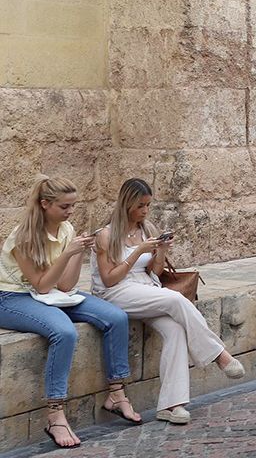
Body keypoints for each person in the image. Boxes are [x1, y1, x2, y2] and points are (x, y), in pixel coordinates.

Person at [0, 177, 140, 448]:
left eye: (73, 206)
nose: (70, 212)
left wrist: (77, 252)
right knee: (63, 331)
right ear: (45, 204)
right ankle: (55, 415)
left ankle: (116, 393)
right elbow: (41, 286)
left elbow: (65, 285)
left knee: (116, 317)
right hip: (11, 298)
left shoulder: (66, 229)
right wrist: (67, 254)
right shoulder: (23, 237)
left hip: (53, 295)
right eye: (64, 206)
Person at [92, 178, 246, 425]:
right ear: (127, 204)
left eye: (148, 205)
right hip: (115, 293)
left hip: (146, 290)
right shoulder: (105, 235)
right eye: (140, 206)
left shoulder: (147, 228)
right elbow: (109, 280)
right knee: (175, 299)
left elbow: (155, 271)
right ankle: (219, 354)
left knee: (175, 330)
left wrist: (160, 250)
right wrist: (137, 252)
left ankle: (171, 405)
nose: (145, 211)